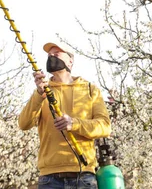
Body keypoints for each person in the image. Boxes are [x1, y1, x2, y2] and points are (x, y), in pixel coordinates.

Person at [18, 40, 111, 188]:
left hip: (83, 176)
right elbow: (23, 124)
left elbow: (105, 127)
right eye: (49, 55)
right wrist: (38, 94)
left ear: (70, 60)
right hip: (49, 178)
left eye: (56, 53)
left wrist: (74, 124)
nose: (51, 57)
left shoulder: (89, 89)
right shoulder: (43, 92)